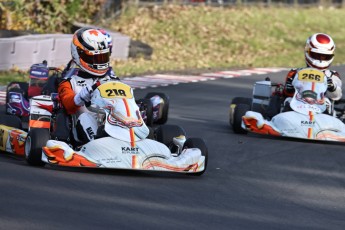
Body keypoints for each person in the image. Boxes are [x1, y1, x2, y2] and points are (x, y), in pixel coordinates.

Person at [58, 27, 118, 144]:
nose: (99, 62)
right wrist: (79, 97)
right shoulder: (69, 82)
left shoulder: (112, 80)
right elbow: (67, 104)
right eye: (94, 58)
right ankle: (99, 146)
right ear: (79, 55)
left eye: (102, 57)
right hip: (84, 130)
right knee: (86, 118)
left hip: (114, 124)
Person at [283, 33, 342, 112]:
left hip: (321, 111)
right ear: (308, 51)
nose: (321, 59)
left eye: (324, 56)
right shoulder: (295, 73)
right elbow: (286, 94)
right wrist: (289, 89)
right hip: (298, 108)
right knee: (288, 100)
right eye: (317, 55)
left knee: (327, 102)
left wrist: (332, 87)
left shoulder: (331, 75)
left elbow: (336, 96)